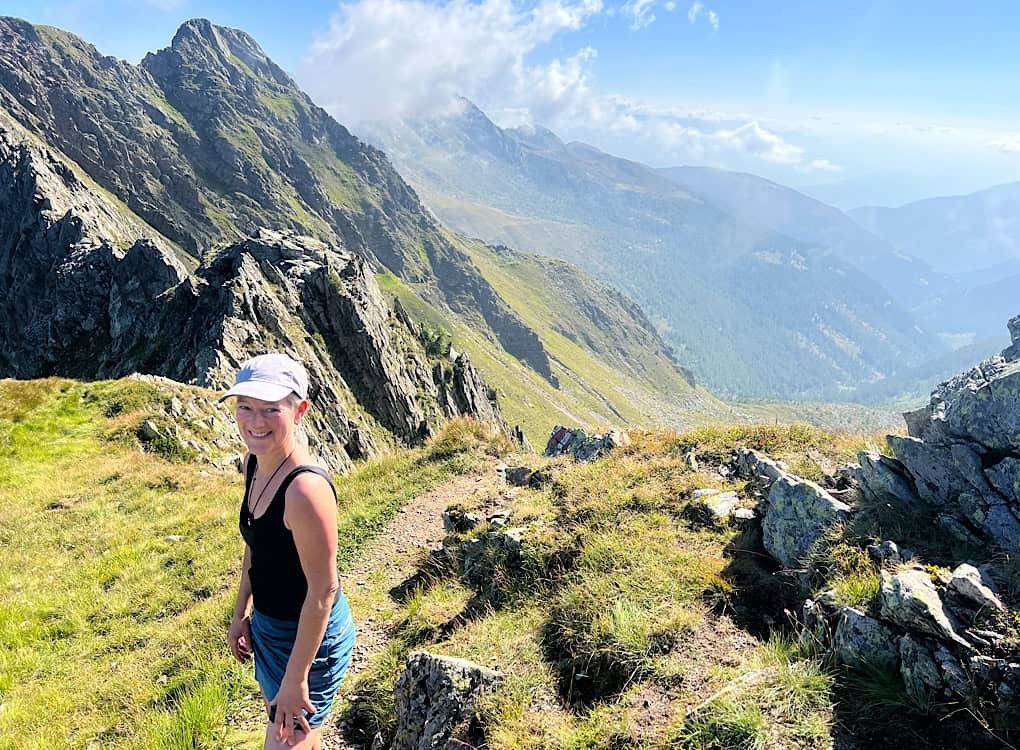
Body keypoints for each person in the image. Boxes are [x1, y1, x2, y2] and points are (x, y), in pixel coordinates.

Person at [221, 353, 356, 749]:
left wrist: (297, 677)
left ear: (300, 412)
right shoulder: (254, 463)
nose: (255, 421)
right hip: (269, 628)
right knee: (292, 732)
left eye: (271, 409)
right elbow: (256, 547)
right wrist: (240, 613)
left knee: (285, 739)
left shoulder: (305, 491)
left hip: (309, 640)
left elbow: (323, 590)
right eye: (245, 406)